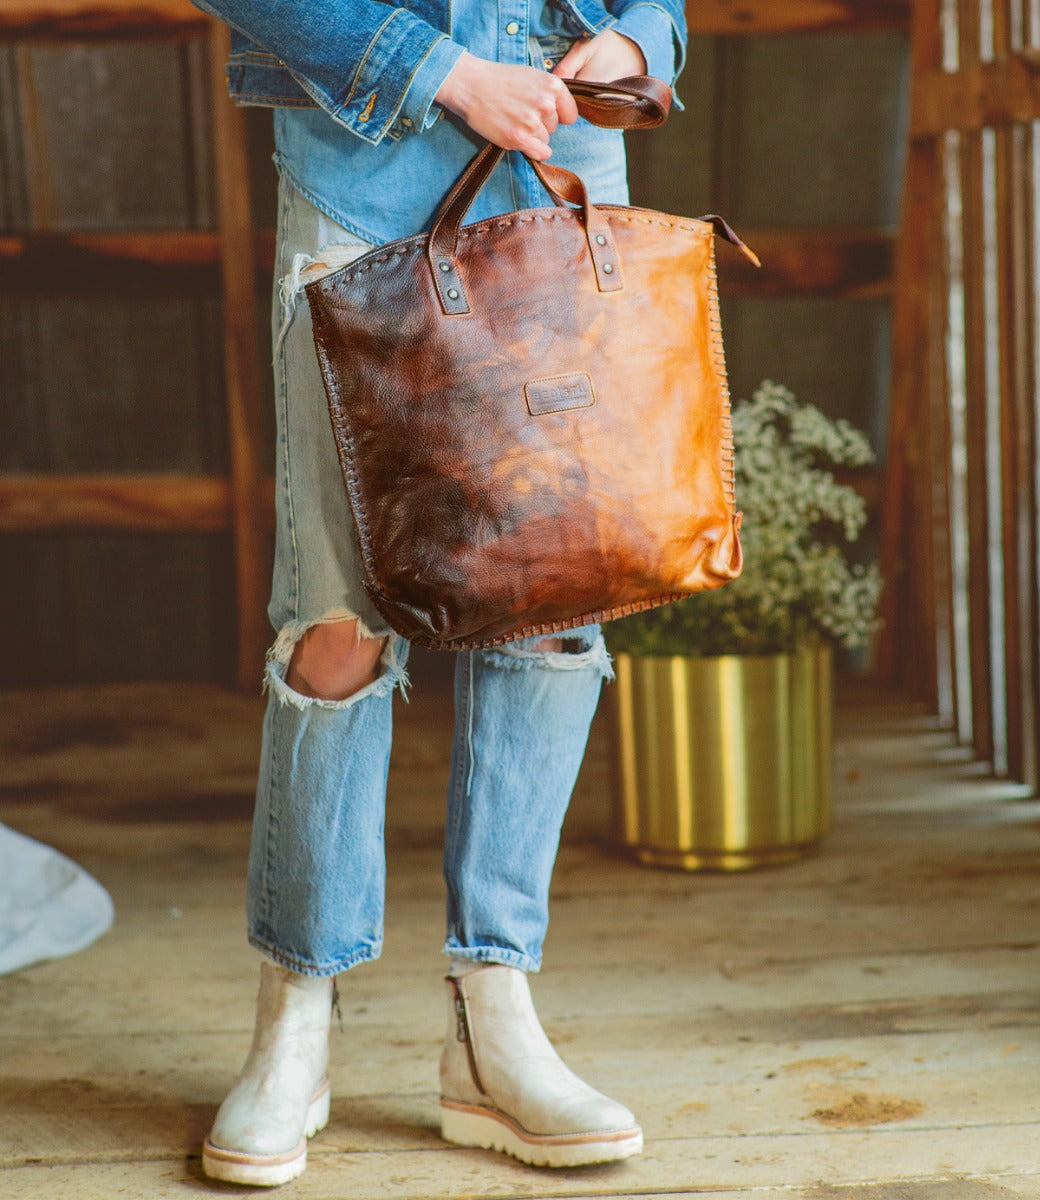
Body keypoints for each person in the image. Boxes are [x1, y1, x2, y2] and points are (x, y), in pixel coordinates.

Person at [190, 0, 687, 1186]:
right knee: (334, 624)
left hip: (566, 149)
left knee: (556, 605)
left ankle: (490, 1022)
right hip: (360, 158)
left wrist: (644, 38)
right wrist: (442, 70)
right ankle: (295, 1025)